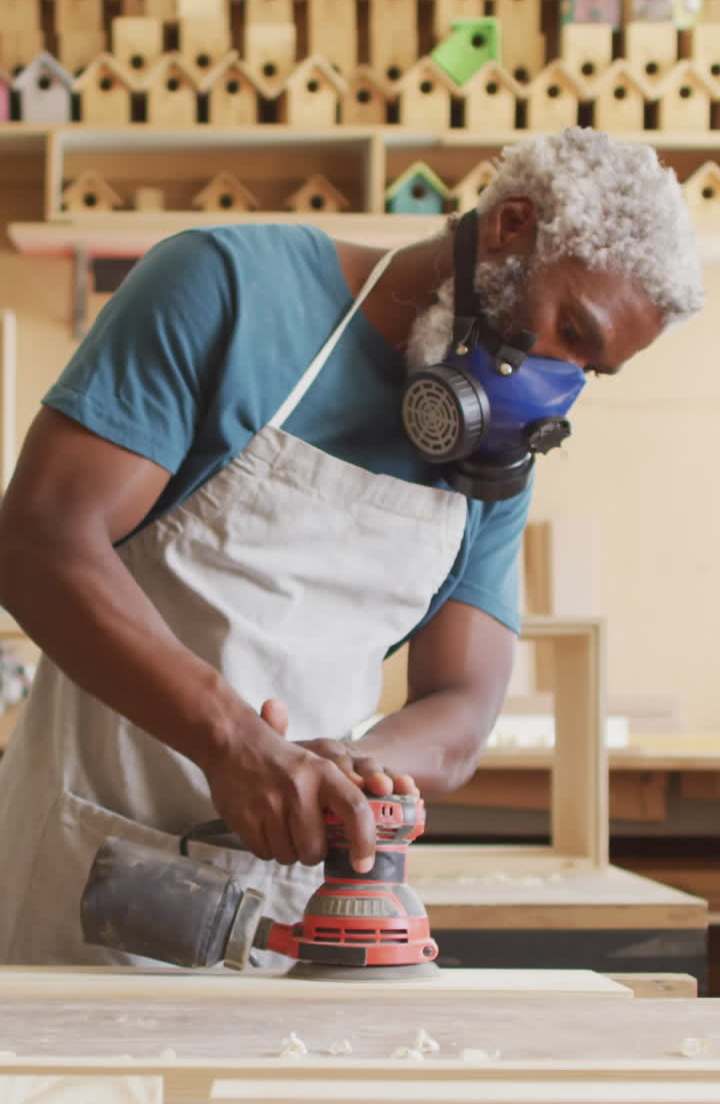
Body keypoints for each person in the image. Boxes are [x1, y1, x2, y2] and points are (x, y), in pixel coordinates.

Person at [0, 126, 703, 965]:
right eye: (572, 332)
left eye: (594, 369)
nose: (561, 385)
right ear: (512, 226)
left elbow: (463, 707)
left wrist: (347, 771)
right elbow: (40, 539)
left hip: (293, 906)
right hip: (90, 873)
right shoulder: (228, 287)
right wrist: (233, 741)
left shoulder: (491, 460)